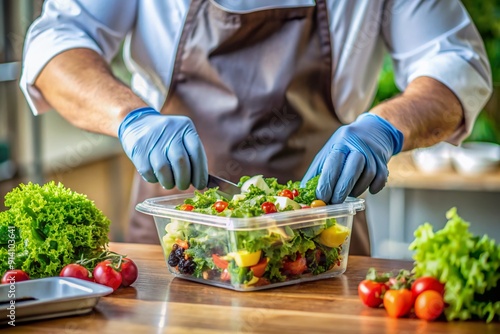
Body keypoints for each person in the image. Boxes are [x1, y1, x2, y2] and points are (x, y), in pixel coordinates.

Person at [20, 0, 491, 254]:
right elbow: (56, 45)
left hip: (322, 241)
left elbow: (456, 63)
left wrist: (386, 128)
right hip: (177, 241)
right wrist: (132, 118)